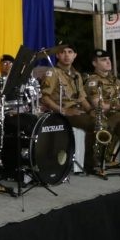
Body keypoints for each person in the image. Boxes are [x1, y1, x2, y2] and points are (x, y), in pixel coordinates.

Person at [39, 44, 97, 173]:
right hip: (61, 113)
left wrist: (91, 111)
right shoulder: (53, 72)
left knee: (100, 121)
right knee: (93, 124)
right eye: (63, 52)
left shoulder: (76, 75)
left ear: (75, 55)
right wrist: (63, 110)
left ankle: (99, 159)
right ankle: (89, 163)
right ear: (57, 55)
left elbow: (82, 98)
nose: (66, 55)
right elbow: (44, 98)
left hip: (77, 110)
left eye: (70, 52)